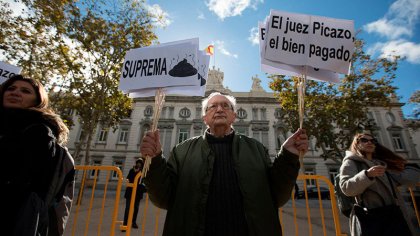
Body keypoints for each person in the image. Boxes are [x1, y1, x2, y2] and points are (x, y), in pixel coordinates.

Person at [140, 92, 309, 236]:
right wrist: (154, 161)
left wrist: (288, 156)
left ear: (234, 116)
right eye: (212, 106)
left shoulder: (256, 148)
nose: (219, 109)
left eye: (225, 106)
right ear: (204, 117)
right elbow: (164, 198)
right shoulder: (182, 150)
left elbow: (276, 196)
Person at [0, 75, 72, 235]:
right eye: (11, 88)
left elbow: (22, 181)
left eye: (25, 91)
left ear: (38, 101)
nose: (16, 92)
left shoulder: (39, 131)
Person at [339, 133, 420, 236]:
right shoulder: (350, 162)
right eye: (364, 140)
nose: (369, 142)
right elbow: (347, 188)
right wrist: (367, 175)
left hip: (394, 215)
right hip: (371, 218)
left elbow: (404, 179)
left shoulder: (382, 164)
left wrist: (412, 168)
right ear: (356, 144)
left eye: (373, 141)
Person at [122, 158, 146, 231]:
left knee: (136, 208)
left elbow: (144, 182)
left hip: (138, 193)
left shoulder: (143, 172)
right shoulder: (131, 170)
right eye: (138, 163)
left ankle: (133, 222)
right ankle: (125, 224)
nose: (139, 164)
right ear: (136, 163)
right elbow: (129, 179)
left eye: (140, 163)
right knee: (128, 208)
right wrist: (135, 172)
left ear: (142, 164)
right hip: (130, 192)